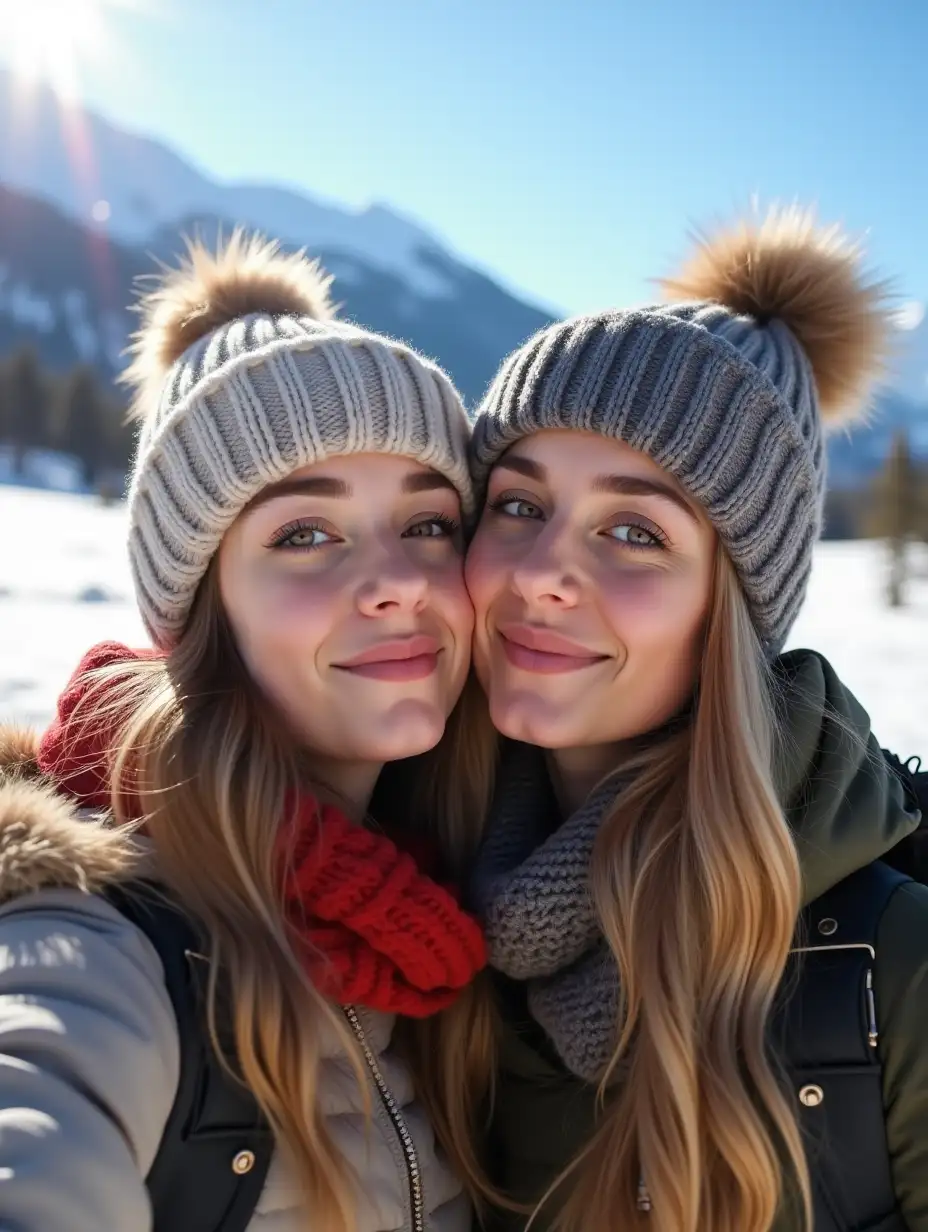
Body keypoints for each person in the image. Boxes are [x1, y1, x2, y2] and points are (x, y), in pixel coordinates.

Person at [0, 232, 495, 1232]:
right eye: (303, 534)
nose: (396, 578)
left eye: (429, 523)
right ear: (200, 609)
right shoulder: (101, 941)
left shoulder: (454, 923)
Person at [464, 207, 928, 1231]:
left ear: (732, 605)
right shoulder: (410, 899)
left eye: (633, 530)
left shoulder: (886, 962)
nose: (543, 575)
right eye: (517, 504)